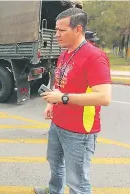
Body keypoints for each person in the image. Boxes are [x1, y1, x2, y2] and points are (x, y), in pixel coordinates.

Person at [34, 8, 112, 194]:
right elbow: (61, 83)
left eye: (62, 30)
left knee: (77, 181)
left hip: (80, 131)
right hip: (58, 123)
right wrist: (51, 102)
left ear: (78, 29)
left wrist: (63, 98)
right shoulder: (65, 53)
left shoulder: (95, 57)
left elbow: (104, 97)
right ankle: (54, 190)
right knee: (54, 163)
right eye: (56, 30)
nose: (57, 35)